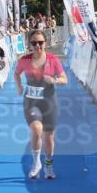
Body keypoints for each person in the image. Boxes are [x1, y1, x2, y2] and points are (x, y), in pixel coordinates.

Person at [14, 29, 67, 180]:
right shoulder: (24, 60)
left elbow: (64, 79)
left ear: (45, 43)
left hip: (49, 102)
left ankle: (48, 166)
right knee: (36, 129)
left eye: (40, 43)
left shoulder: (52, 59)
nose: (37, 46)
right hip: (31, 101)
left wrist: (55, 80)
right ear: (29, 44)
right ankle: (36, 163)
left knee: (49, 137)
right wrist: (19, 86)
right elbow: (16, 73)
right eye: (34, 43)